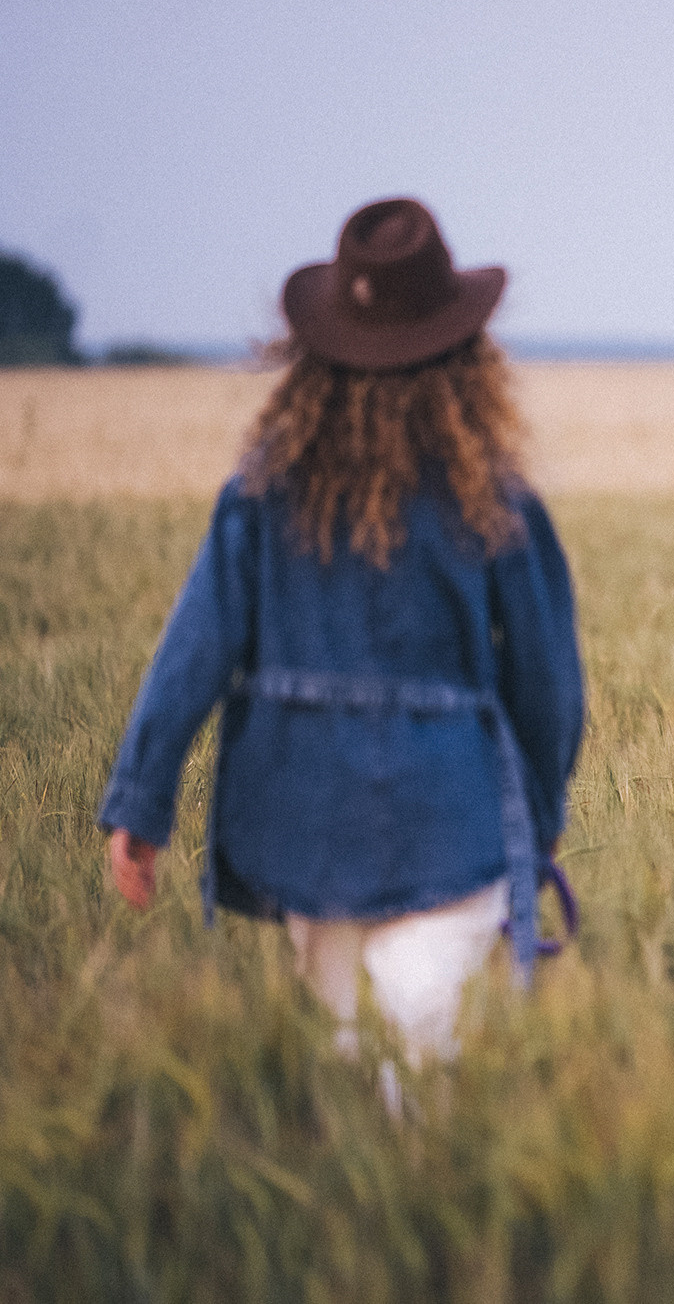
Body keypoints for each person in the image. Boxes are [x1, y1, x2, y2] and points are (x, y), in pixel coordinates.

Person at [98, 197, 585, 1078]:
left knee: (337, 1060)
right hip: (449, 820)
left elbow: (195, 649)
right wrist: (540, 819)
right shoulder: (497, 502)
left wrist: (140, 804)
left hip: (299, 819)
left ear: (312, 363)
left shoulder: (259, 495)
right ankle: (417, 1202)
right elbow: (548, 681)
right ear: (467, 358)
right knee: (424, 1061)